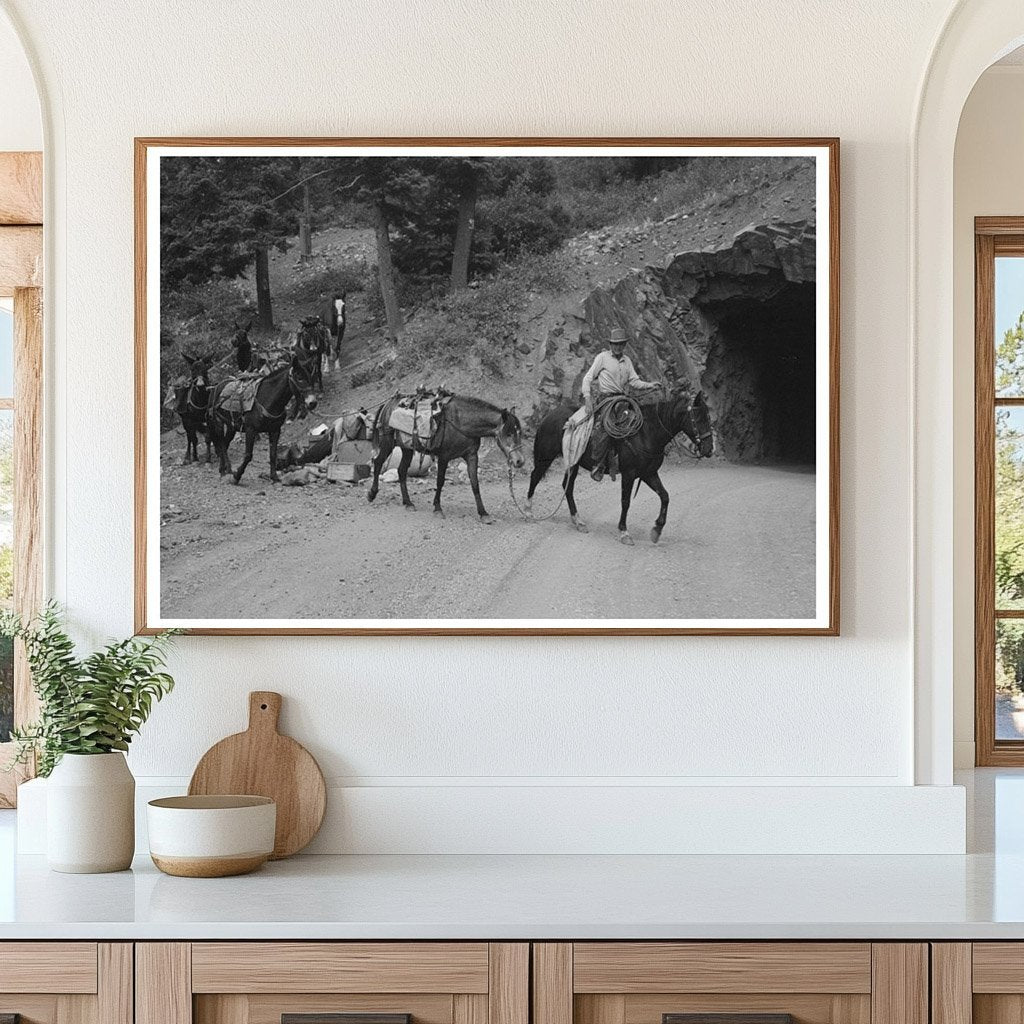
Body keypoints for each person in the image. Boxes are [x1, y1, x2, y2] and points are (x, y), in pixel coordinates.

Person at [580, 327, 661, 481]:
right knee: (605, 427)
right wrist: (587, 398)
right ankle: (599, 463)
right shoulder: (602, 358)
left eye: (621, 344)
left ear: (624, 345)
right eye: (615, 344)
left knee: (637, 421)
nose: (618, 347)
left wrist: (650, 385)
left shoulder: (627, 360)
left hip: (622, 400)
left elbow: (634, 381)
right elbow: (587, 378)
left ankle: (631, 459)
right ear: (611, 344)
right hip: (606, 400)